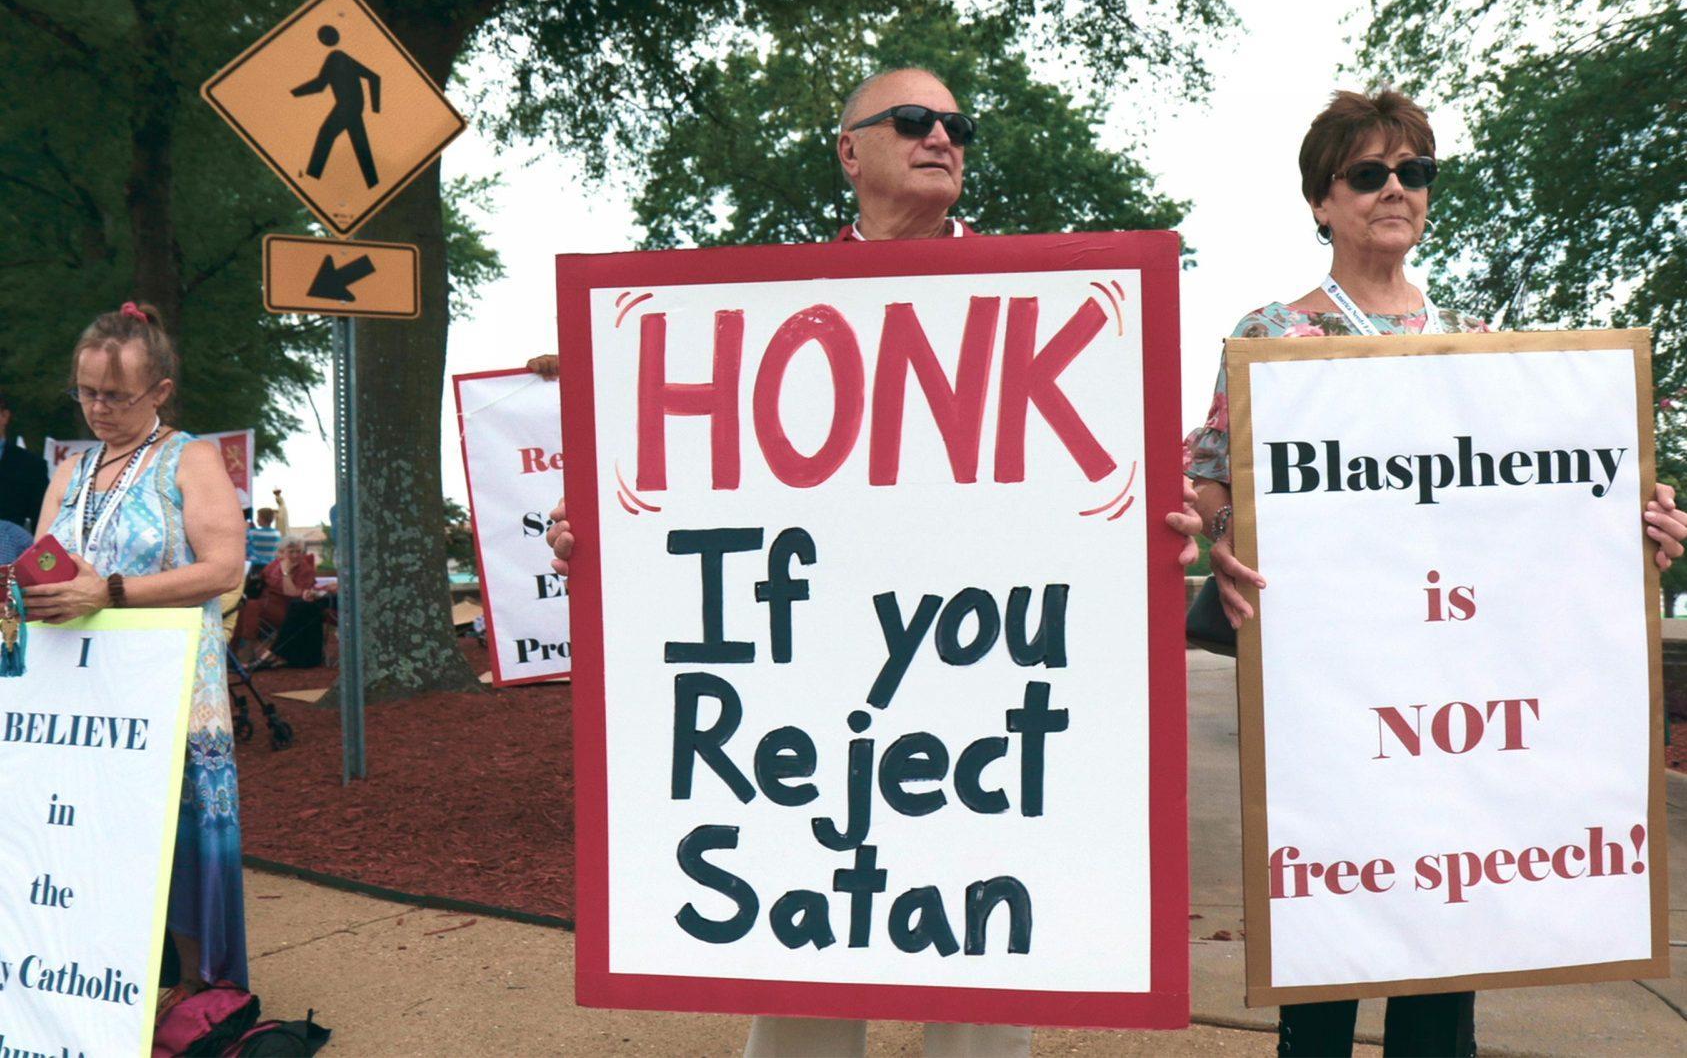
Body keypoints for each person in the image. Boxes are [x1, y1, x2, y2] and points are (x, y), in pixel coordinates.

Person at [547, 67, 1199, 1058]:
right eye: (911, 120)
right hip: (814, 699)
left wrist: (1155, 536)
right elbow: (705, 502)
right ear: (850, 151)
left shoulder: (1040, 302)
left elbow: (1095, 510)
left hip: (986, 692)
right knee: (805, 945)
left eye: (955, 124)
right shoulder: (773, 312)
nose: (941, 136)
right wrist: (602, 535)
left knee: (986, 973)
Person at [1181, 89, 1687, 1057]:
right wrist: (1226, 538)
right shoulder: (1274, 337)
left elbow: (1542, 509)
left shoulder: (1478, 347)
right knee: (1323, 958)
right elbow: (1209, 476)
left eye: (1414, 172)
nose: (1395, 190)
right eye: (1367, 174)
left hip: (1455, 713)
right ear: (1321, 201)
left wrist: (1633, 531)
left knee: (1441, 960)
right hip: (1327, 706)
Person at [23, 301, 249, 1008]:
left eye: (115, 396)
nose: (97, 408)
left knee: (175, 824)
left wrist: (110, 592)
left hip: (169, 683)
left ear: (159, 392)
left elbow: (224, 568)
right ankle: (95, 974)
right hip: (79, 690)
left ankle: (194, 983)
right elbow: (45, 564)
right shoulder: (69, 470)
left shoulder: (192, 457)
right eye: (85, 392)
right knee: (88, 825)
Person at [249, 537, 329, 670]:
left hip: (290, 611)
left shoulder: (305, 570)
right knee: (247, 606)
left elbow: (291, 593)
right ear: (281, 553)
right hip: (267, 604)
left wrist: (286, 573)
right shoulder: (273, 565)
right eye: (291, 552)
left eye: (299, 552)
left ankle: (255, 656)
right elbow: (260, 583)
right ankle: (238, 654)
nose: (296, 555)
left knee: (251, 608)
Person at [0, 390, 50, 532]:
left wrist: (46, 555)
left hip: (11, 550)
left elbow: (43, 525)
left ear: (4, 416)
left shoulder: (31, 466)